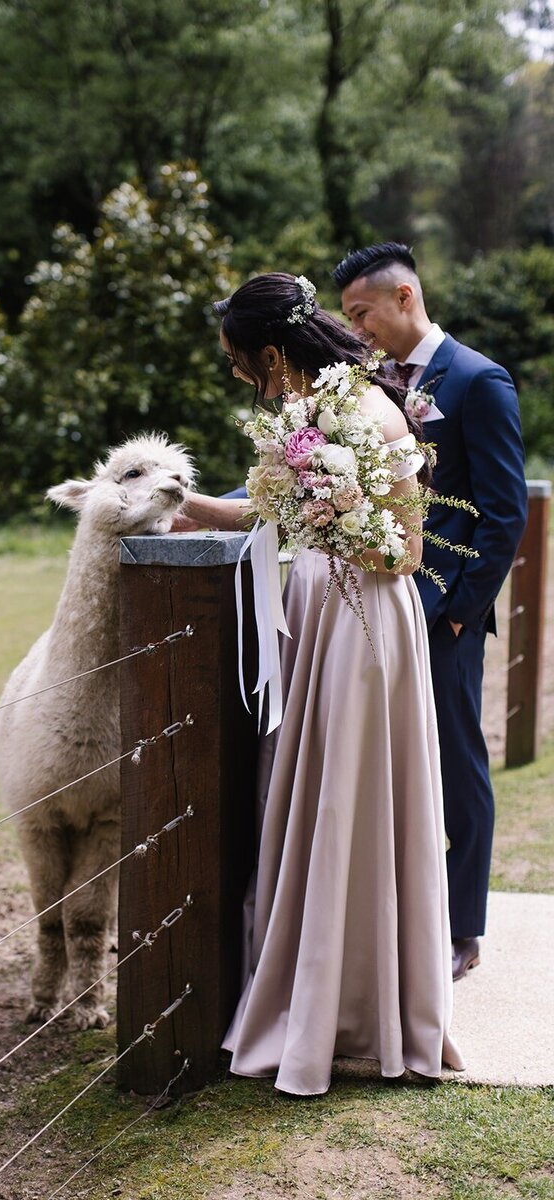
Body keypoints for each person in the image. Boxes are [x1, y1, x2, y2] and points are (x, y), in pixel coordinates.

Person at [178, 272, 463, 1096]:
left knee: (351, 802)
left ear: (273, 353)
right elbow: (277, 514)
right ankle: (320, 994)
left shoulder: (369, 413)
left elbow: (403, 550)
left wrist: (328, 516)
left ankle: (365, 1010)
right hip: (322, 619)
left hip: (365, 626)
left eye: (241, 365)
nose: (241, 380)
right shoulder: (308, 415)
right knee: (316, 798)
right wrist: (186, 506)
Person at [333, 243, 527, 982]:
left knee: (456, 765)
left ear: (405, 297)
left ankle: (463, 928)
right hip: (380, 604)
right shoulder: (370, 384)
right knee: (390, 763)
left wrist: (456, 612)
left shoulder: (479, 381)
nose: (359, 328)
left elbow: (504, 515)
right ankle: (398, 913)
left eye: (362, 313)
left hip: (444, 614)